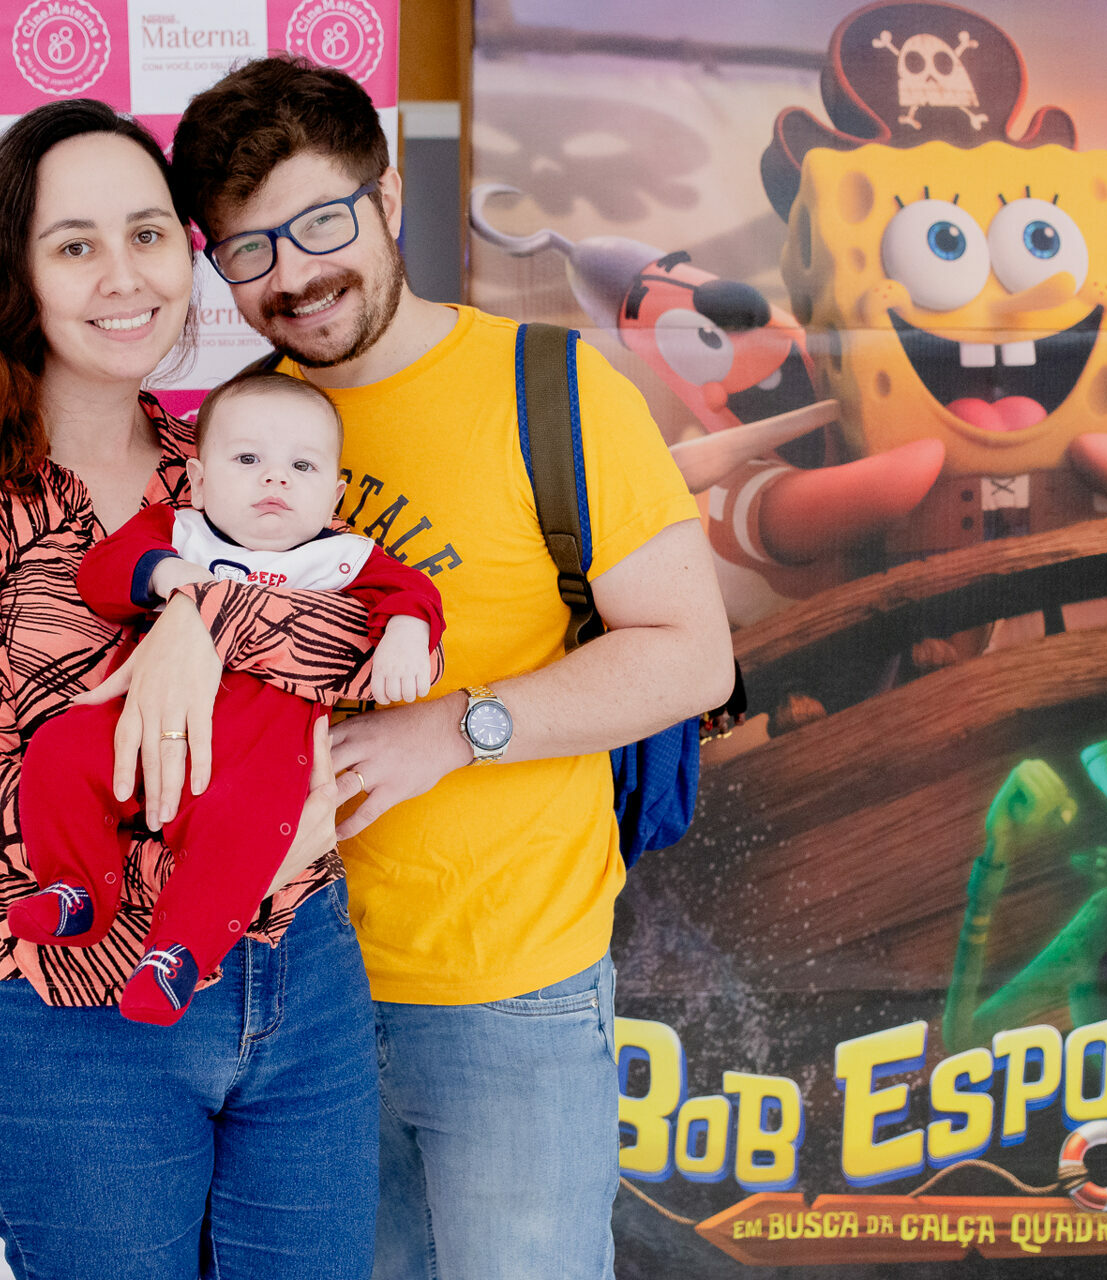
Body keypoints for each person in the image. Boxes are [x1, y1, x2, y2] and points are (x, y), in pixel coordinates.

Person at [157, 56, 737, 1279]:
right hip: (286, 997)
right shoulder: (237, 429)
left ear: (387, 197)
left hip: (506, 992)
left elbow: (692, 654)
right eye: (248, 249)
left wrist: (453, 727)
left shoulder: (549, 388)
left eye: (321, 223)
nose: (294, 275)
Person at [0, 98, 383, 1280]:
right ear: (15, 273)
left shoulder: (226, 458)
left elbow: (352, 630)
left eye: (148, 234)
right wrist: (229, 799)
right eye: (75, 244)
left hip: (298, 982)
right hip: (73, 1010)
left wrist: (198, 627)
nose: (124, 275)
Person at [9, 368, 444, 1026]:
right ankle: (76, 888)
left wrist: (407, 633)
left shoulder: (342, 558)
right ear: (201, 479)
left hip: (258, 754)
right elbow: (101, 573)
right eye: (247, 460)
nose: (276, 479)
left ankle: (176, 955)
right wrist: (170, 575)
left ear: (334, 493)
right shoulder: (182, 533)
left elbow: (411, 594)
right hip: (140, 725)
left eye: (302, 466)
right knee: (60, 750)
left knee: (243, 833)